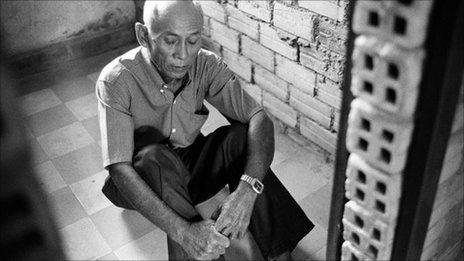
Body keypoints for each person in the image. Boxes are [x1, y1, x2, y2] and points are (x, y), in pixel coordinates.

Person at [96, 1, 313, 260]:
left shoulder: (206, 65)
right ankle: (201, 251)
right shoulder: (116, 80)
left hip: (189, 164)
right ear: (144, 35)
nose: (183, 54)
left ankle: (280, 254)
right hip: (140, 178)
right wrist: (184, 232)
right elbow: (120, 169)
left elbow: (258, 118)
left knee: (241, 137)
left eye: (193, 40)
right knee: (153, 157)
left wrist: (248, 189)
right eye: (170, 41)